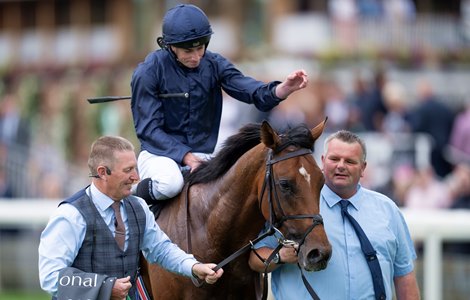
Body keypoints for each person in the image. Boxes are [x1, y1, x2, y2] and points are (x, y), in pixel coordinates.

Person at [130, 4, 309, 205]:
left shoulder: (214, 63)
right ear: (169, 46)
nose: (196, 57)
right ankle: (132, 196)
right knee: (171, 184)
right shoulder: (147, 72)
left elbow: (248, 89)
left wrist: (283, 88)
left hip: (203, 153)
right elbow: (149, 130)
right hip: (159, 155)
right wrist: (187, 157)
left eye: (200, 48)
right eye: (188, 51)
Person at [38, 136, 223, 299]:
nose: (136, 177)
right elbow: (51, 276)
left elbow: (161, 249)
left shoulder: (139, 206)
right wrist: (105, 287)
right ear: (102, 172)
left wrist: (194, 267)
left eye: (135, 168)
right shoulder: (71, 215)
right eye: (128, 170)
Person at [249, 130, 420, 300]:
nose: (341, 166)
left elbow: (404, 275)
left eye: (350, 161)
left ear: (363, 168)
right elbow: (254, 259)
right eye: (334, 159)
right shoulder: (295, 204)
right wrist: (280, 256)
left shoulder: (388, 209)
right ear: (323, 162)